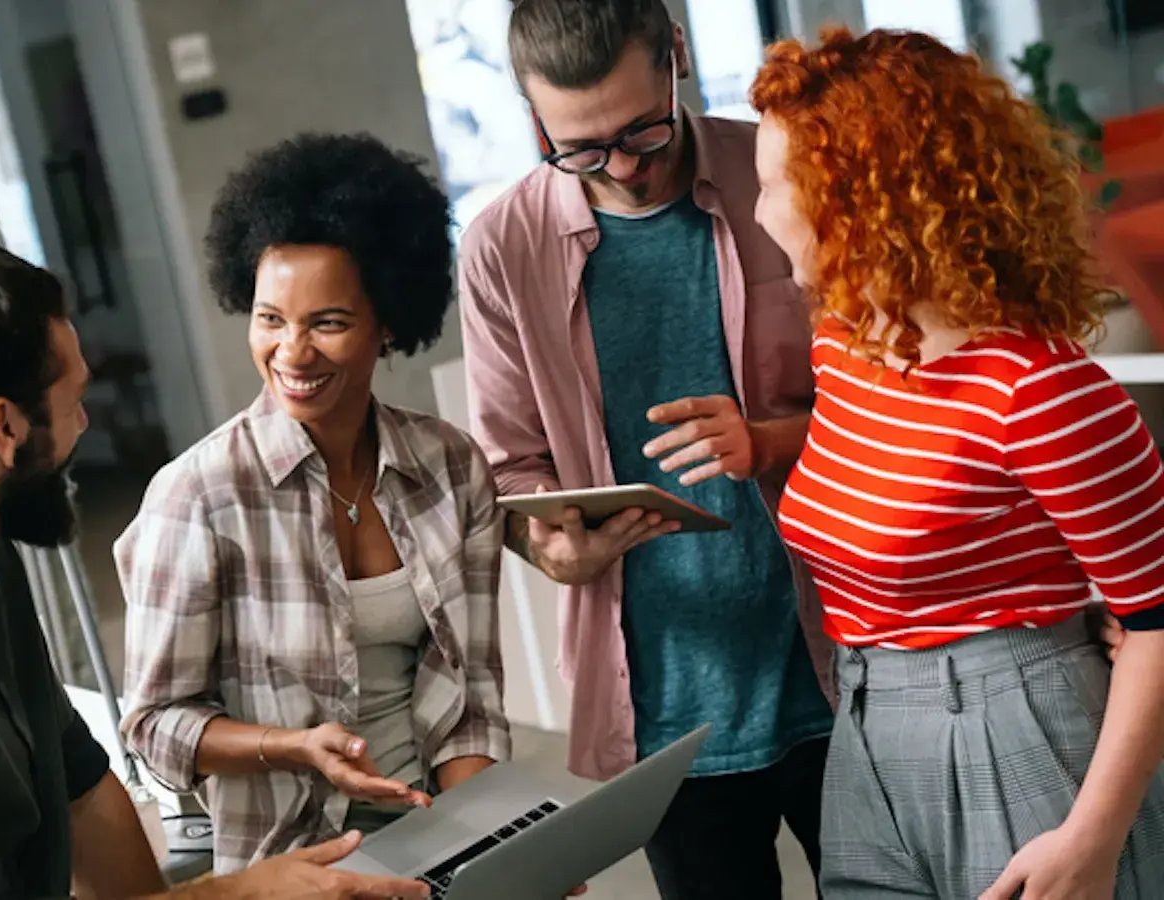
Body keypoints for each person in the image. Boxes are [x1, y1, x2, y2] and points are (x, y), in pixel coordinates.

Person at [0, 219, 430, 900]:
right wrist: (242, 894)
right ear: (6, 428)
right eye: (74, 404)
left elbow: (78, 784)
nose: (85, 426)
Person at [751, 27, 1164, 899]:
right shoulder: (844, 345)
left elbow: (1160, 624)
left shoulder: (1038, 390)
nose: (758, 213)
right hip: (865, 726)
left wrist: (1092, 838)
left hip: (1019, 733)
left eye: (774, 186)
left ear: (860, 196)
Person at [457, 1, 832, 895]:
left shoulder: (783, 175)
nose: (622, 167)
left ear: (676, 53)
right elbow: (510, 468)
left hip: (842, 658)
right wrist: (548, 545)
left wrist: (768, 441)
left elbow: (896, 395)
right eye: (581, 147)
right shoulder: (501, 249)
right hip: (664, 709)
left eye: (643, 130)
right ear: (528, 106)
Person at [117, 133, 509, 874]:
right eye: (270, 319)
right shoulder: (198, 497)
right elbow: (153, 727)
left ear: (388, 321)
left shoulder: (452, 468)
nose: (292, 353)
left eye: (327, 322)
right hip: (291, 861)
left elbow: (473, 704)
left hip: (438, 830)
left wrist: (485, 846)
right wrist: (293, 746)